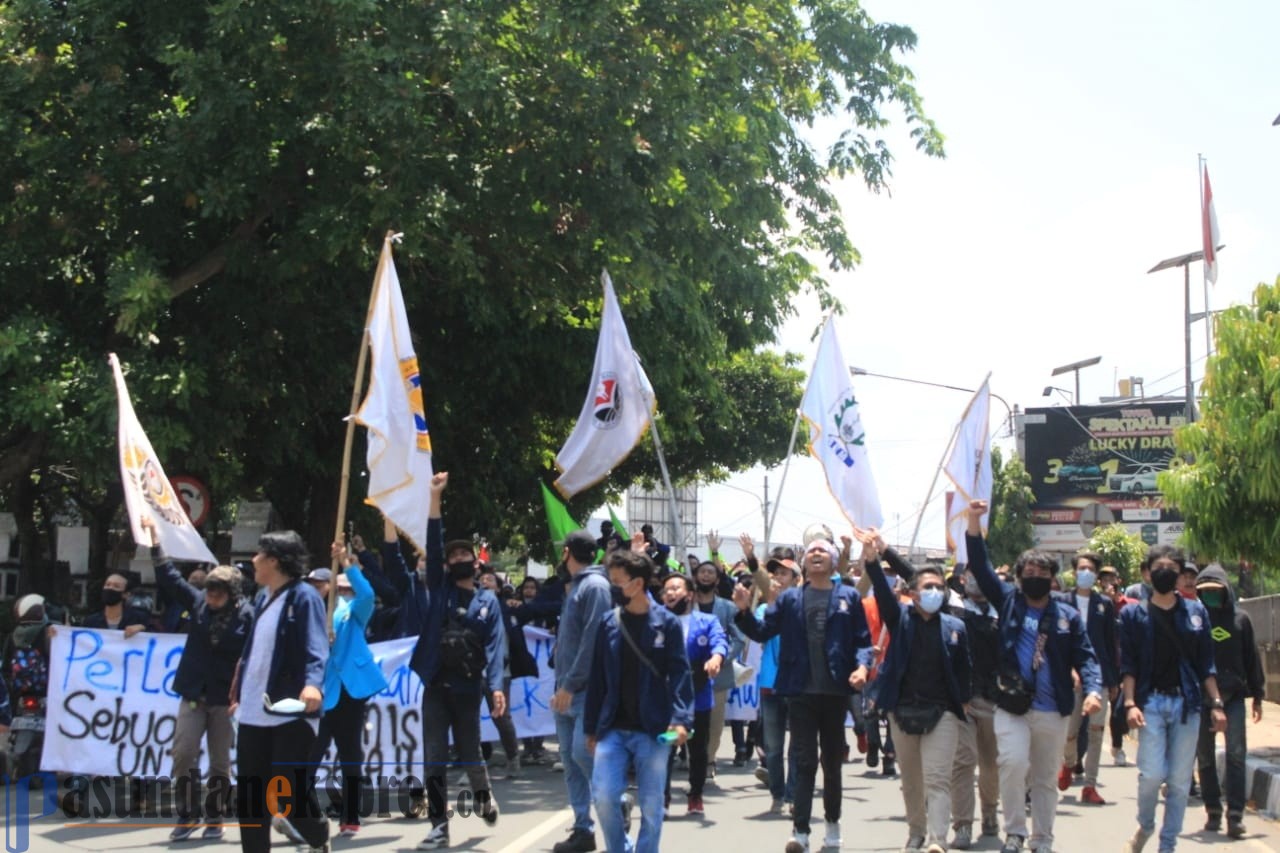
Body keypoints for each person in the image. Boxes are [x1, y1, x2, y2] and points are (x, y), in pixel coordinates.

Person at [964, 501, 1102, 853]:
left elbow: (1086, 656)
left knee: (1043, 779)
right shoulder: (1009, 601)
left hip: (1053, 708)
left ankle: (1042, 839)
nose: (1035, 578)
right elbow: (979, 564)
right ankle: (1015, 832)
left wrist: (1093, 690)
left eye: (1042, 574)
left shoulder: (1067, 616)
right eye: (1029, 572)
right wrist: (974, 521)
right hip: (1011, 705)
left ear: (1053, 579)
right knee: (1011, 763)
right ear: (1020, 576)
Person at [732, 537, 874, 853]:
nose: (817, 554)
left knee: (832, 763)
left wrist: (863, 668)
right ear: (805, 563)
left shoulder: (848, 597)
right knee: (805, 760)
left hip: (835, 692)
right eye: (811, 551)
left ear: (835, 561)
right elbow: (762, 632)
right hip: (798, 691)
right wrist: (743, 612)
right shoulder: (789, 599)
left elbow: (863, 642)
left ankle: (833, 824)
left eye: (823, 550)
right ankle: (801, 831)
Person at [404, 473, 505, 850]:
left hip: (467, 689)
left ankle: (482, 797)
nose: (459, 559)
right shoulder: (439, 590)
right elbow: (432, 541)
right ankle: (438, 827)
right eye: (453, 556)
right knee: (434, 759)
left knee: (469, 752)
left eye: (465, 555)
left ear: (475, 564)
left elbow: (495, 647)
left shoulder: (487, 602)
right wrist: (434, 499)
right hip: (435, 686)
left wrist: (496, 687)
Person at [859, 529, 972, 853]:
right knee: (912, 780)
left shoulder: (955, 627)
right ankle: (916, 833)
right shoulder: (900, 618)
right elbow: (881, 590)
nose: (935, 591)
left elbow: (964, 671)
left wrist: (962, 703)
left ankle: (938, 840)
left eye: (940, 587)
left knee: (938, 778)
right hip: (902, 711)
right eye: (928, 587)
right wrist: (873, 559)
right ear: (913, 593)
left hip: (944, 714)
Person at [145, 518, 252, 841]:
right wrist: (155, 543)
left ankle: (215, 816)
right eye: (209, 590)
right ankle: (187, 814)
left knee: (220, 764)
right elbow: (170, 577)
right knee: (183, 754)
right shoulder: (197, 603)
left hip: (224, 701)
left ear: (232, 594)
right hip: (192, 695)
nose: (211, 596)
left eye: (218, 592)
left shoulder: (249, 616)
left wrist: (242, 696)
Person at [1118, 545, 1226, 853]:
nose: (1165, 572)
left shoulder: (1196, 613)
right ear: (1148, 573)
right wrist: (1129, 703)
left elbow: (1206, 664)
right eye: (1159, 567)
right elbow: (1129, 665)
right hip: (1150, 703)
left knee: (1179, 782)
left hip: (1187, 705)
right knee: (1151, 774)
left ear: (1179, 576)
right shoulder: (1132, 614)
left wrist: (1216, 704)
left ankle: (1168, 845)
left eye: (1171, 568)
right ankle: (1146, 824)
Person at [585, 550, 694, 853]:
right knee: (604, 796)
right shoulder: (608, 622)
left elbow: (680, 675)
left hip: (654, 728)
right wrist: (591, 728)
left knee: (651, 803)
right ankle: (620, 847)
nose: (612, 587)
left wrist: (681, 719)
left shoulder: (667, 624)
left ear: (637, 583)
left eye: (617, 582)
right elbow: (597, 680)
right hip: (612, 728)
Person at [229, 529, 330, 853]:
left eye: (259, 555)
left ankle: (317, 835)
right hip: (253, 714)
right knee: (251, 798)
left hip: (289, 712)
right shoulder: (263, 599)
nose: (254, 561)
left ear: (274, 560)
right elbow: (253, 653)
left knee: (285, 795)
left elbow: (317, 646)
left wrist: (313, 684)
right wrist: (237, 695)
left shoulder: (304, 596)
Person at [309, 538, 389, 839]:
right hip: (317, 693)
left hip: (348, 693)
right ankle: (300, 814)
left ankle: (350, 816)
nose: (316, 588)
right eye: (312, 584)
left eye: (321, 583)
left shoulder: (351, 610)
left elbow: (368, 593)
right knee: (309, 754)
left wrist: (347, 564)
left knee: (350, 754)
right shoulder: (305, 613)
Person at [550, 528, 613, 853]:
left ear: (567, 553)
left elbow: (593, 639)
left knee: (580, 753)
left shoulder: (595, 586)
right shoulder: (577, 586)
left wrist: (572, 683)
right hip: (566, 688)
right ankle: (582, 829)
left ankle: (617, 799)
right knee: (571, 761)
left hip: (585, 690)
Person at [1194, 563, 1265, 838]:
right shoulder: (1196, 620)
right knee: (1205, 757)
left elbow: (1252, 658)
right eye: (1205, 592)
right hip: (1202, 698)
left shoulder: (1241, 619)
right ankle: (1212, 809)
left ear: (1226, 591)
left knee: (1236, 755)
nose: (1211, 596)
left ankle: (1235, 815)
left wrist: (1257, 695)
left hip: (1234, 696)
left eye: (1216, 591)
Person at [660, 572, 727, 816]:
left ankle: (695, 794)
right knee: (665, 749)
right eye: (666, 589)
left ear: (689, 594)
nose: (670, 592)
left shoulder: (707, 621)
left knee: (698, 750)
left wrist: (716, 658)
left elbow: (719, 642)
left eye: (676, 588)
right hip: (665, 699)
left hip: (697, 697)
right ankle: (662, 798)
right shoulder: (656, 620)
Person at [1056, 552, 1119, 805]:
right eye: (1082, 568)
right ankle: (1069, 763)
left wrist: (1113, 681)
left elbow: (1110, 643)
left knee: (1095, 732)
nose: (1086, 573)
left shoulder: (1104, 604)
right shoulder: (1061, 601)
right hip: (1070, 678)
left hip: (1100, 677)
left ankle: (1090, 785)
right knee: (1069, 731)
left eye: (1090, 569)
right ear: (1074, 572)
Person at [950, 564, 1001, 847]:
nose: (976, 580)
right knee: (964, 761)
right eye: (971, 574)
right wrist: (884, 551)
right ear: (961, 579)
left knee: (991, 764)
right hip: (962, 700)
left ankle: (990, 810)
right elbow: (914, 576)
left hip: (993, 699)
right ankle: (963, 825)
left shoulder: (1002, 610)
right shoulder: (953, 606)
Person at [691, 550, 743, 782]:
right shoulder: (686, 604)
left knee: (714, 722)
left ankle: (709, 760)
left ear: (717, 580)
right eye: (701, 572)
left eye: (710, 572)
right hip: (688, 675)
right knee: (688, 720)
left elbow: (739, 638)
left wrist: (722, 658)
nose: (705, 575)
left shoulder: (727, 607)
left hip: (717, 675)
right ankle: (692, 758)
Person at [755, 550, 800, 814]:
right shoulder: (764, 608)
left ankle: (794, 796)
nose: (779, 578)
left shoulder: (804, 604)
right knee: (773, 747)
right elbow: (760, 634)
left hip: (797, 684)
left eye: (784, 573)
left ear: (796, 578)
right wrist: (771, 605)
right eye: (776, 574)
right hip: (770, 683)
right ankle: (777, 794)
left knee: (798, 745)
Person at [82, 573, 151, 635]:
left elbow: (158, 639)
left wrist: (142, 629)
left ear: (126, 594)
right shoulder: (91, 621)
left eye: (116, 586)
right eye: (107, 584)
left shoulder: (139, 619)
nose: (110, 588)